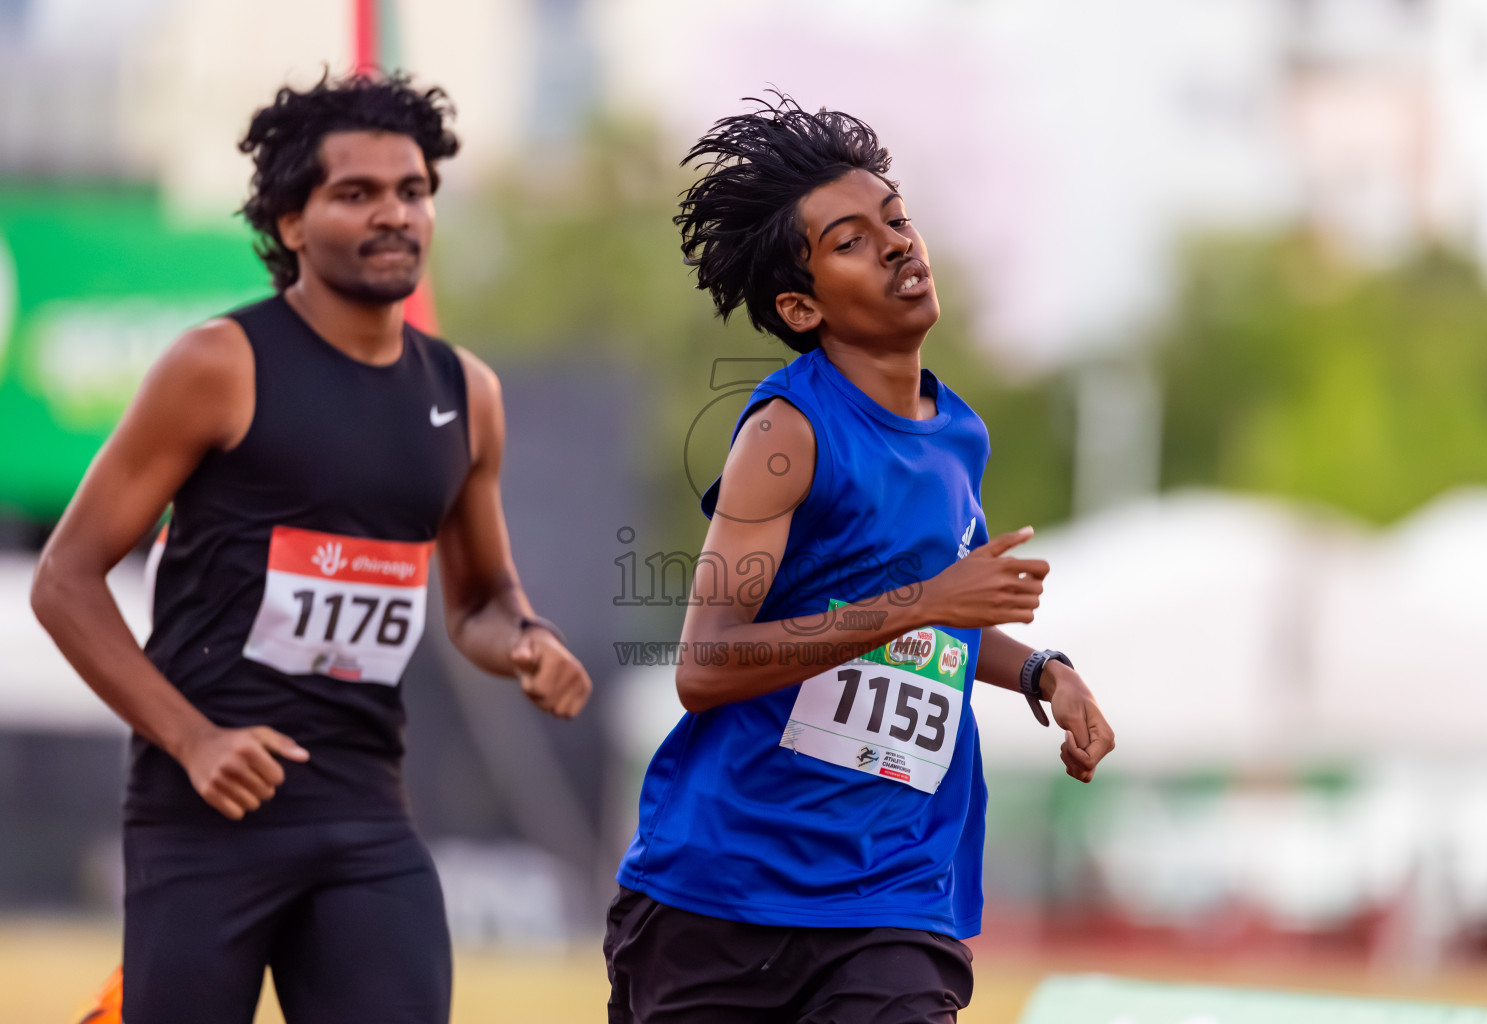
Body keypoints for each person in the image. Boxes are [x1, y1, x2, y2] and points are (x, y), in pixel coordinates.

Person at [31, 72, 593, 1024]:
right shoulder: (218, 366)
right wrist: (193, 739)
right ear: (292, 222)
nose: (394, 215)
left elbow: (480, 602)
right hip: (205, 818)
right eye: (357, 193)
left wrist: (527, 640)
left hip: (367, 816)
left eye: (412, 192)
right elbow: (64, 581)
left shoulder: (467, 395)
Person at [605, 95, 1117, 1023]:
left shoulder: (958, 433)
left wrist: (1043, 671)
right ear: (801, 305)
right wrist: (926, 600)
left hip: (895, 893)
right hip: (724, 898)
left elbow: (938, 627)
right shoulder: (782, 432)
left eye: (897, 218)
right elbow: (705, 665)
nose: (895, 244)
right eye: (851, 240)